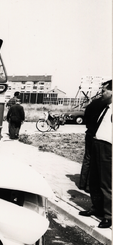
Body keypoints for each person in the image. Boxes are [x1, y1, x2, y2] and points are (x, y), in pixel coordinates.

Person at [79, 80, 112, 229]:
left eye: (105, 91)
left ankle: (108, 215)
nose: (102, 93)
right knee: (94, 180)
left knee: (106, 183)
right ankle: (96, 207)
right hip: (96, 144)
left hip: (107, 148)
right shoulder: (105, 107)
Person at [78, 95, 105, 192]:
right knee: (94, 161)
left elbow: (85, 118)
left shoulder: (92, 104)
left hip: (89, 132)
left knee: (87, 158)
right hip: (97, 135)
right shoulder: (105, 105)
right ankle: (89, 186)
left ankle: (82, 183)